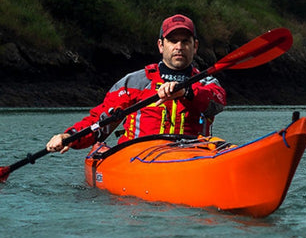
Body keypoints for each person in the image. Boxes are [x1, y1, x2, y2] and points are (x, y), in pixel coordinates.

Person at [46, 14, 226, 153]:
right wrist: (70, 136)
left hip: (192, 154)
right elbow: (100, 122)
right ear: (161, 45)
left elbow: (216, 104)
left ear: (195, 46)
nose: (179, 46)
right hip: (138, 156)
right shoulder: (135, 82)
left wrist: (185, 92)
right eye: (172, 41)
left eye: (185, 41)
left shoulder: (207, 83)